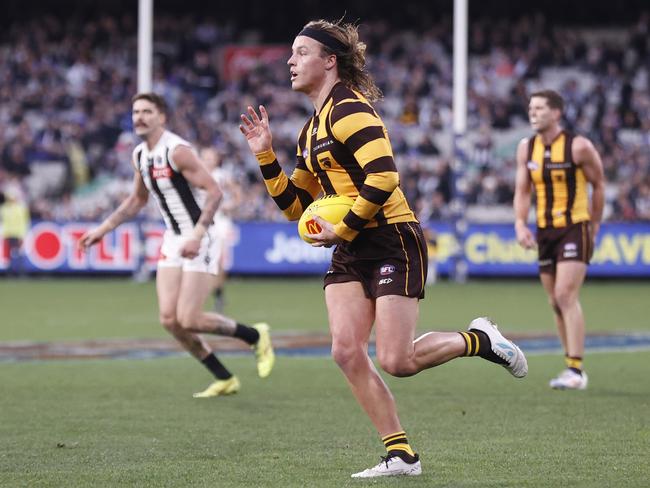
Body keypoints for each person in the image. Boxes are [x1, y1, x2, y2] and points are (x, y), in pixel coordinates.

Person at [239, 19, 527, 478]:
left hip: (391, 237)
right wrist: (264, 155)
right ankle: (401, 454)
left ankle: (482, 340)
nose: (290, 61)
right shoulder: (309, 130)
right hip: (352, 244)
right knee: (345, 351)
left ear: (330, 61)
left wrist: (344, 228)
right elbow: (295, 208)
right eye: (290, 53)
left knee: (397, 360)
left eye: (301, 52)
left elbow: (384, 177)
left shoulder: (350, 110)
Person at [80, 93, 275, 397]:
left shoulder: (177, 151)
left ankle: (255, 335)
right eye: (135, 112)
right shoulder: (140, 155)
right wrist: (103, 229)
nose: (139, 117)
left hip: (200, 234)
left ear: (162, 117)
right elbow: (136, 200)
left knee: (190, 318)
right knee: (170, 320)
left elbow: (215, 192)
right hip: (172, 238)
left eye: (147, 111)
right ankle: (224, 378)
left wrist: (197, 234)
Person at [514, 89, 605, 390]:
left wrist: (594, 226)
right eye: (531, 108)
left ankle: (576, 370)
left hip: (574, 226)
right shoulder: (526, 148)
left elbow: (599, 184)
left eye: (539, 108)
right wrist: (519, 223)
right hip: (545, 231)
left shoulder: (579, 147)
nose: (533, 113)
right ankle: (570, 365)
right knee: (555, 301)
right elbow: (523, 190)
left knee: (566, 295)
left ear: (556, 113)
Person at [199, 146, 236, 312]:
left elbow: (238, 194)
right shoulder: (196, 175)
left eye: (211, 157)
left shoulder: (222, 175)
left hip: (219, 222)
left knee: (217, 260)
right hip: (201, 222)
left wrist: (230, 205)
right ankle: (208, 294)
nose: (208, 161)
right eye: (205, 157)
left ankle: (218, 295)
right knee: (201, 261)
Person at [1, 185, 31, 276]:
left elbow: (25, 222)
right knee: (9, 255)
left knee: (19, 254)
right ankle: (10, 272)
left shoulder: (21, 208)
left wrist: (23, 235)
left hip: (18, 234)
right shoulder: (3, 208)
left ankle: (20, 272)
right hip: (8, 234)